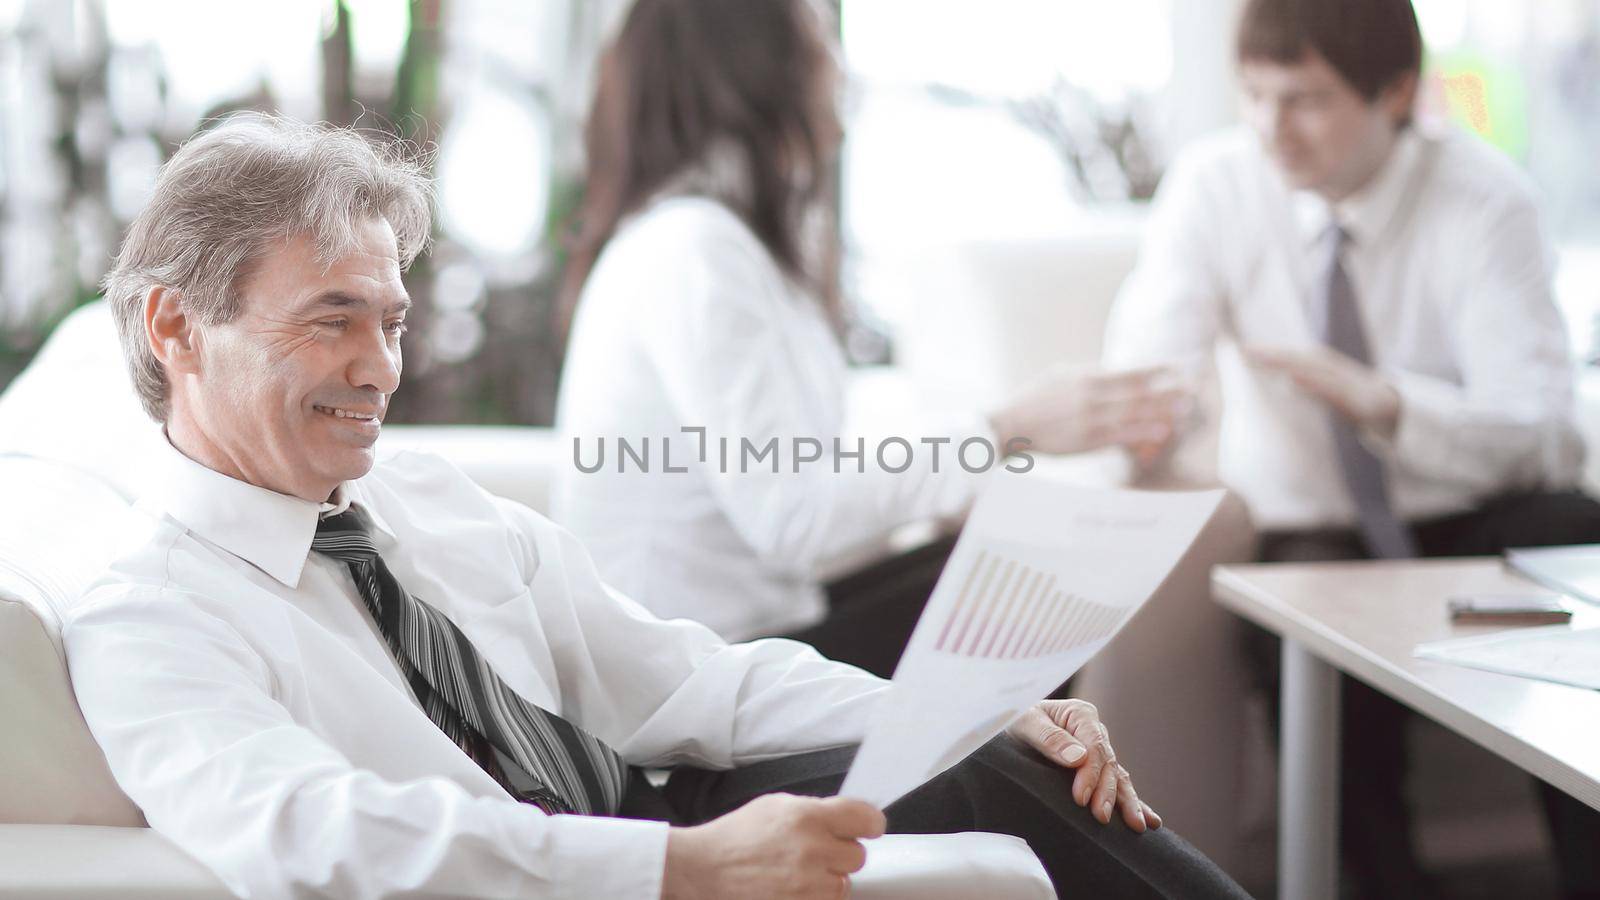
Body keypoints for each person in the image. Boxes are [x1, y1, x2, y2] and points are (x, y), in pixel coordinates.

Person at [65, 112, 1248, 899]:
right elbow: (316, 833)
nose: (382, 367)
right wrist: (681, 868)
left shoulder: (423, 501)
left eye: (393, 322)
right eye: (334, 318)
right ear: (176, 327)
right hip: (594, 866)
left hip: (660, 807)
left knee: (1000, 764)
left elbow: (686, 680)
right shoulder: (151, 611)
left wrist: (971, 712)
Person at [1103, 0, 1600, 895]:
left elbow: (1547, 436)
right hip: (1314, 527)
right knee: (1298, 616)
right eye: (1253, 96)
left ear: (1397, 93)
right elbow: (1145, 374)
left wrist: (1387, 404)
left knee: (1575, 527)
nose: (1270, 130)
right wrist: (1152, 422)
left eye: (1305, 101)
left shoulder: (1485, 200)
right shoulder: (1217, 187)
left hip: (1470, 508)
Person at [553, 0, 1186, 676]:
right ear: (754, 71)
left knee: (1019, 567)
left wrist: (952, 490)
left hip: (750, 632)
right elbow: (793, 516)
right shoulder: (694, 250)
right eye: (819, 40)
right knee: (1036, 590)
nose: (838, 66)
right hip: (694, 674)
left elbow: (792, 495)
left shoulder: (718, 243)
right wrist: (1006, 429)